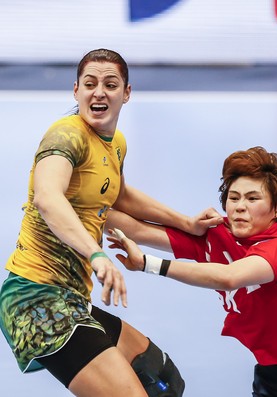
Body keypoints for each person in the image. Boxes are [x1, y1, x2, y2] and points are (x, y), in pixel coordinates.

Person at [0, 47, 211, 397]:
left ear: (126, 93)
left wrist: (186, 222)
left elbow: (120, 196)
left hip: (70, 298)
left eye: (110, 84)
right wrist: (96, 255)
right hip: (35, 301)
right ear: (76, 90)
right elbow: (47, 197)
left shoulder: (115, 145)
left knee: (161, 382)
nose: (99, 91)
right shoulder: (65, 137)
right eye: (90, 83)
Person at [106, 146, 277, 397]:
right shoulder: (218, 236)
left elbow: (230, 277)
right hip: (276, 372)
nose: (240, 207)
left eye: (252, 199)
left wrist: (147, 263)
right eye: (234, 198)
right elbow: (135, 229)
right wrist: (73, 203)